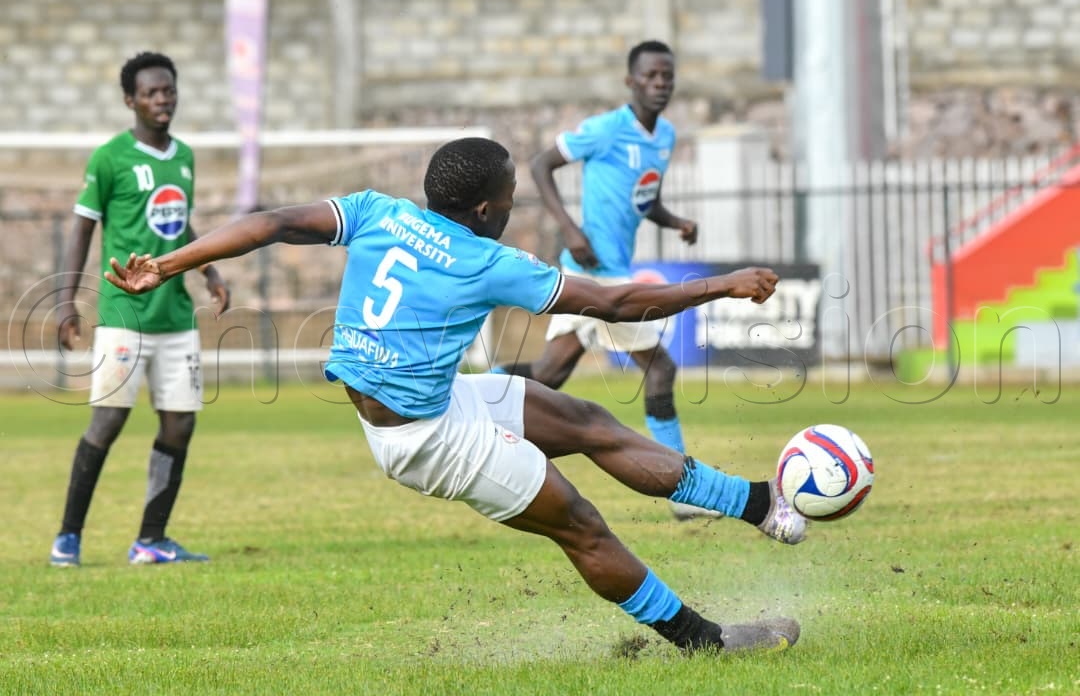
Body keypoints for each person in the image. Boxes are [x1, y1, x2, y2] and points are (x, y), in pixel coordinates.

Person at [104, 137, 805, 653]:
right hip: (426, 441)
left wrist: (165, 265)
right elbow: (616, 304)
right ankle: (703, 642)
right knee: (581, 523)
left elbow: (270, 223)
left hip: (438, 401)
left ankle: (753, 502)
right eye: (507, 202)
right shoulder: (487, 260)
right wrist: (722, 283)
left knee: (587, 420)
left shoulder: (380, 212)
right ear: (482, 209)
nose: (510, 210)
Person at [490, 41, 713, 519]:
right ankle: (684, 490)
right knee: (660, 369)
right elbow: (540, 164)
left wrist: (674, 222)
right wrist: (570, 229)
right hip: (600, 276)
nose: (660, 84)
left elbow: (644, 197)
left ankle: (472, 392)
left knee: (550, 375)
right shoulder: (607, 129)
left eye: (666, 77)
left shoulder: (665, 136)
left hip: (601, 271)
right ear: (630, 82)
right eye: (651, 76)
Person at [49, 52, 230, 567]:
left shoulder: (185, 157)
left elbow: (179, 225)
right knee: (107, 421)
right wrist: (67, 303)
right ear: (130, 100)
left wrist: (209, 271)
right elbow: (82, 230)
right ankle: (68, 537)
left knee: (180, 425)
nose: (162, 100)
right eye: (151, 93)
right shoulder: (109, 158)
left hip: (175, 317)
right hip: (124, 315)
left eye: (168, 90)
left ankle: (151, 539)